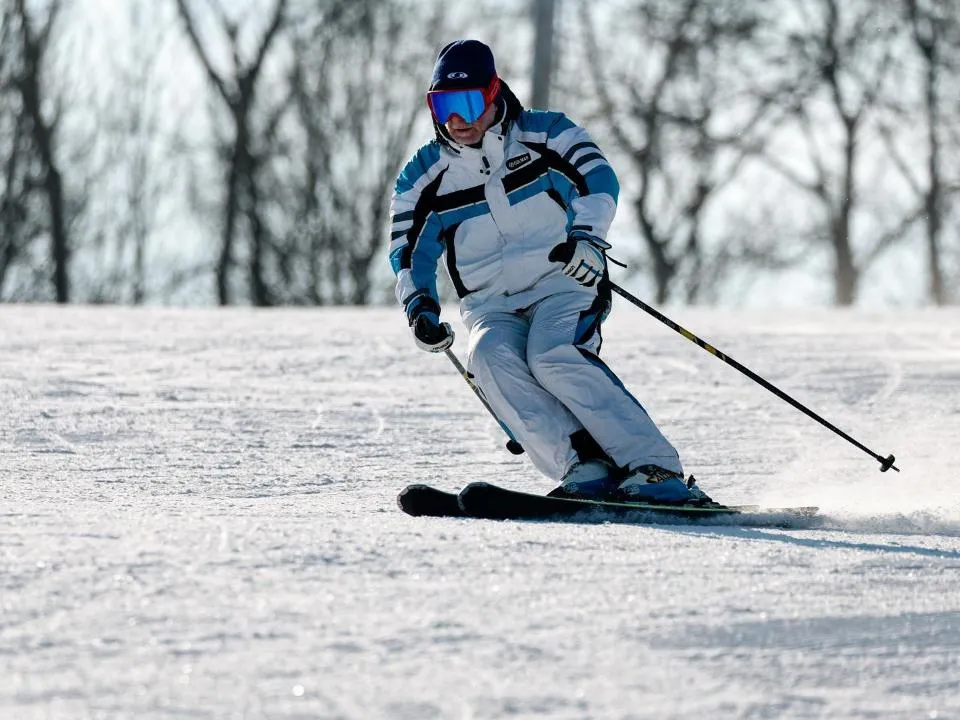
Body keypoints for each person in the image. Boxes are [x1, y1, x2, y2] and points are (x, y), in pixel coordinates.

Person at [388, 39, 710, 505]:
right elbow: (406, 249)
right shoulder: (423, 177)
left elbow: (596, 178)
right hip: (490, 302)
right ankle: (584, 466)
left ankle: (655, 468)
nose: (456, 120)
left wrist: (587, 240)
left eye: (468, 103)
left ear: (494, 91)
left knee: (553, 354)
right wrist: (419, 306)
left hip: (565, 281)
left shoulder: (546, 134)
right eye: (442, 107)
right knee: (490, 357)